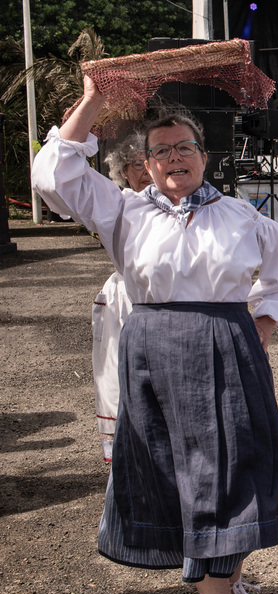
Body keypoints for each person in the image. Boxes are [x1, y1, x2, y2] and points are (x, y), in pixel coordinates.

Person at [32, 76, 278, 594]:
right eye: (161, 151)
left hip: (229, 347)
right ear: (147, 164)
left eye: (184, 147)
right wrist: (94, 98)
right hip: (154, 352)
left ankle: (227, 576)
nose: (174, 158)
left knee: (239, 468)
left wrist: (263, 325)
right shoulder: (123, 211)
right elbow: (52, 174)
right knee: (178, 473)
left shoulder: (241, 215)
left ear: (204, 156)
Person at [93, 133, 152, 462]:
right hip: (126, 297)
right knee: (119, 370)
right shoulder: (118, 205)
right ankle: (129, 455)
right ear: (123, 172)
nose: (144, 171)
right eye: (135, 164)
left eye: (148, 162)